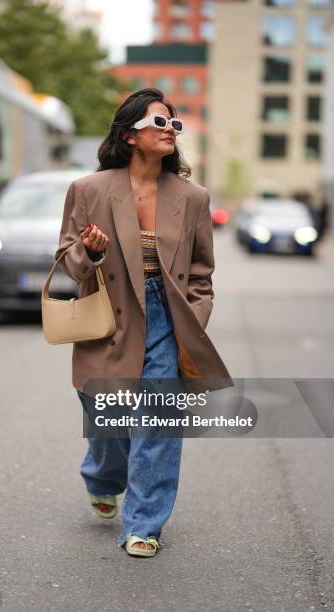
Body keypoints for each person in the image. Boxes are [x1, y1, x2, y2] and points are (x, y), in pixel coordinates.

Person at [55, 88, 232, 557]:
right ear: (130, 134)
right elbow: (68, 265)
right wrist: (89, 251)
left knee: (158, 420)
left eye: (175, 124)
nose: (170, 130)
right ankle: (102, 475)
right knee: (108, 421)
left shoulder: (193, 197)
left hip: (167, 318)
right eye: (160, 122)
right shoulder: (89, 190)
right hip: (109, 315)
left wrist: (191, 321)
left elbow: (200, 274)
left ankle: (144, 526)